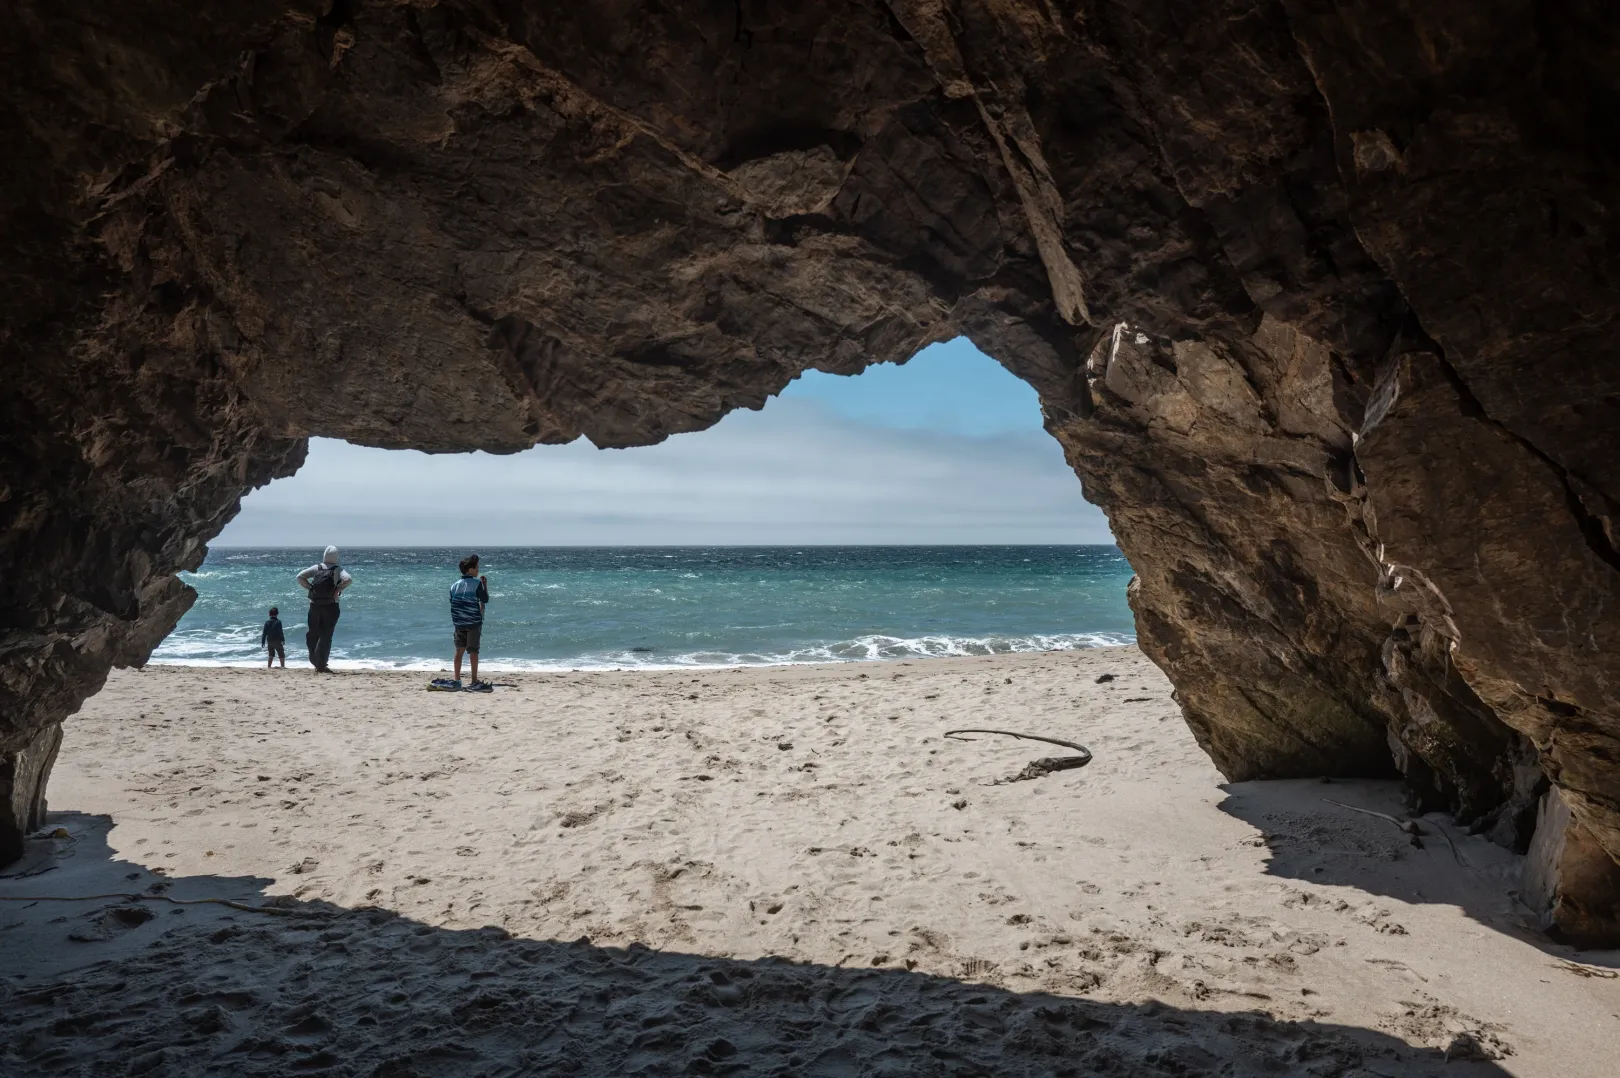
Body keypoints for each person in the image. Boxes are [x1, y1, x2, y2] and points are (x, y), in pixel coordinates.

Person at [296, 546, 352, 673]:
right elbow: (348, 579)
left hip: (314, 605)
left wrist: (310, 588)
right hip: (331, 605)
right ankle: (322, 664)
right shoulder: (338, 569)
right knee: (326, 635)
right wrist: (337, 590)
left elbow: (299, 577)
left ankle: (314, 660)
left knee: (313, 633)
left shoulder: (317, 568)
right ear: (336, 557)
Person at [449, 553, 490, 689]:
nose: (478, 570)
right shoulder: (477, 583)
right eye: (477, 567)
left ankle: (457, 679)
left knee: (459, 651)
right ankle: (473, 680)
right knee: (473, 651)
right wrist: (485, 585)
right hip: (473, 623)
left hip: (459, 623)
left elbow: (452, 602)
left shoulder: (454, 586)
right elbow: (484, 599)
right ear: (470, 570)